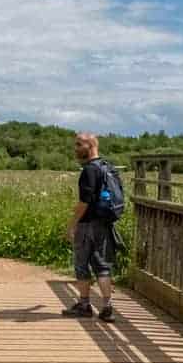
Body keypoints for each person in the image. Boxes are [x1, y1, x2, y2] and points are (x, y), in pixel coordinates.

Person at [63, 132, 117, 322]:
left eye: (79, 144)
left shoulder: (89, 170)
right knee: (103, 266)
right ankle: (107, 306)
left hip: (87, 225)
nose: (75, 149)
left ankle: (85, 305)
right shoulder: (106, 166)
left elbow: (84, 202)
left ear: (91, 145)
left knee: (81, 264)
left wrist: (72, 225)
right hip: (104, 224)